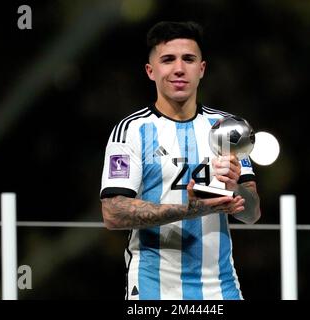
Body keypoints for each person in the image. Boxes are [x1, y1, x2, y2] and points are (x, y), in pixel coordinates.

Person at [100, 21, 261, 300]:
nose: (179, 68)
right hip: (153, 287)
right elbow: (113, 213)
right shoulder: (131, 131)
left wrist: (236, 188)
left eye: (188, 59)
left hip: (220, 288)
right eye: (167, 59)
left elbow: (252, 214)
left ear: (202, 69)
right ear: (151, 71)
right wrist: (190, 209)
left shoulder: (226, 128)